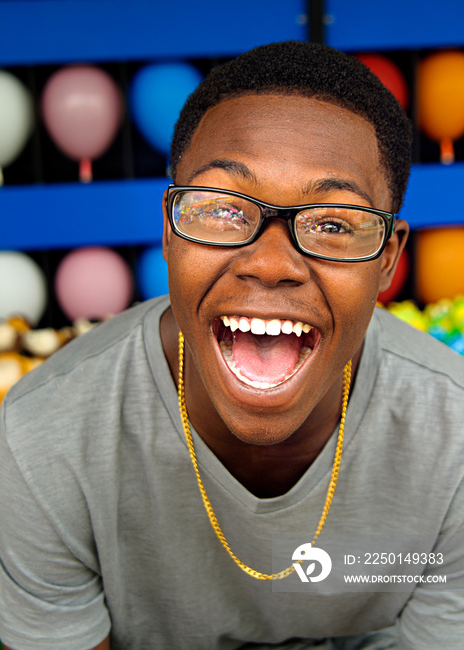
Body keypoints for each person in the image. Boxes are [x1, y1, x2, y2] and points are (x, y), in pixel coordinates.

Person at [0, 41, 463, 650]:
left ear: (389, 261)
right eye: (222, 209)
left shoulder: (453, 438)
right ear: (169, 233)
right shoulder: (42, 442)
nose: (271, 265)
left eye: (331, 222)